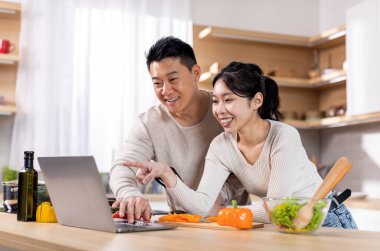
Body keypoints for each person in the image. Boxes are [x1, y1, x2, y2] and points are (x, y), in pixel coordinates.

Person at [124, 61, 358, 229]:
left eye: (229, 100)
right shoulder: (221, 146)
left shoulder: (284, 137)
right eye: (215, 101)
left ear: (256, 101)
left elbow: (276, 208)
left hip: (324, 219)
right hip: (287, 227)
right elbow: (204, 205)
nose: (219, 110)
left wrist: (228, 213)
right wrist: (167, 175)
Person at [109, 38, 251, 224]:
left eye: (173, 79)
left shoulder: (225, 111)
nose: (166, 91)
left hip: (230, 222)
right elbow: (123, 166)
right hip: (181, 223)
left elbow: (248, 162)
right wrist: (130, 194)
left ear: (196, 73)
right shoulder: (149, 122)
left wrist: (220, 195)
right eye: (157, 83)